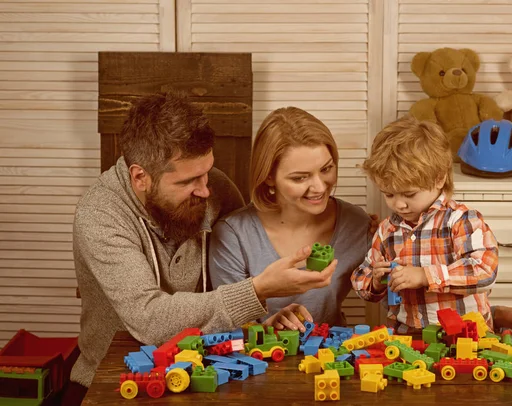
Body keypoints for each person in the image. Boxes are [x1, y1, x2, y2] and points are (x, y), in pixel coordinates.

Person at [65, 95, 337, 404]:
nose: (206, 189)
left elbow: (237, 268)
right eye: (189, 180)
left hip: (206, 373)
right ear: (141, 177)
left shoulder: (216, 188)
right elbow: (150, 320)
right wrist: (258, 290)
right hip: (115, 380)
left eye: (207, 171)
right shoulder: (100, 215)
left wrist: (260, 326)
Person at [351, 115, 512, 333]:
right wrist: (376, 282)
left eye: (409, 194)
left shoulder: (462, 221)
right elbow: (361, 277)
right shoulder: (387, 230)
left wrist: (425, 276)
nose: (399, 204)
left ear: (439, 179)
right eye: (388, 194)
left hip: (467, 337)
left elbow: (484, 270)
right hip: (408, 338)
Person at [209, 107, 372, 330]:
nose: (319, 187)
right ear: (268, 177)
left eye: (326, 169)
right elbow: (226, 325)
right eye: (300, 177)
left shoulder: (356, 223)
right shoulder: (234, 235)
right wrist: (265, 328)